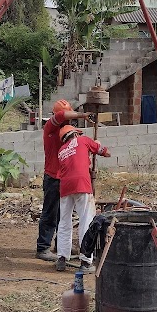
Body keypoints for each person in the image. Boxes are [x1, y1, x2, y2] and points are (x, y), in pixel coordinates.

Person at [36, 99, 94, 262]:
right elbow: (62, 115)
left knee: (64, 216)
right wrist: (83, 115)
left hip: (66, 179)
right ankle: (43, 247)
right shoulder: (50, 128)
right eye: (67, 118)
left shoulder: (66, 131)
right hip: (53, 177)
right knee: (50, 213)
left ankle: (61, 248)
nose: (68, 121)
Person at [55, 125, 111, 272]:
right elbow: (105, 152)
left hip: (65, 186)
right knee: (86, 220)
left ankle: (61, 258)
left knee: (64, 222)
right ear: (75, 134)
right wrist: (97, 144)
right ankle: (86, 261)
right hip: (81, 184)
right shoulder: (83, 140)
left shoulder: (61, 151)